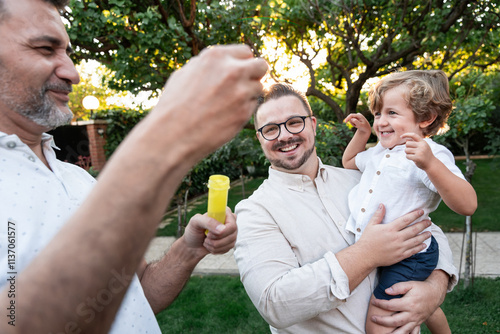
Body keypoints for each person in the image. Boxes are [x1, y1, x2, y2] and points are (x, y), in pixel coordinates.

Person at [0, 0, 268, 333]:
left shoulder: (77, 178)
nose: (72, 72)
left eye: (68, 52)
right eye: (45, 49)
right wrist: (165, 138)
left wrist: (187, 249)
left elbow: (136, 289)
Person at [233, 83, 458, 333]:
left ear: (313, 124)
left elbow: (425, 227)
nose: (284, 135)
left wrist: (435, 287)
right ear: (260, 138)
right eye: (271, 129)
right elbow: (274, 302)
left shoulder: (360, 179)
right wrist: (368, 253)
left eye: (294, 122)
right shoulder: (253, 212)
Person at [342, 70, 477, 334]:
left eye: (392, 113)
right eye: (378, 113)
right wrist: (362, 134)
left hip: (409, 255)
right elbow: (349, 163)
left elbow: (468, 204)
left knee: (379, 323)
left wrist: (430, 165)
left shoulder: (428, 154)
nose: (381, 121)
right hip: (382, 250)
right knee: (414, 303)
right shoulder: (381, 152)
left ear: (426, 118)